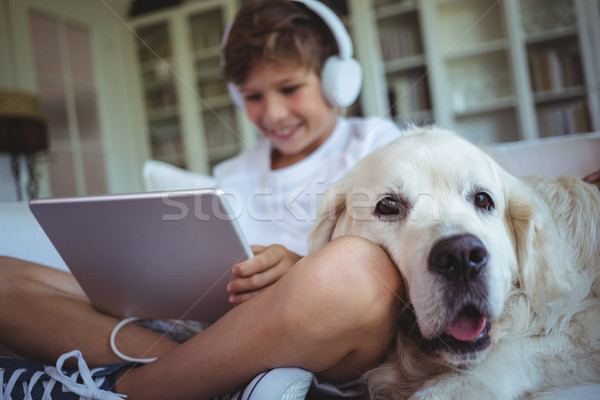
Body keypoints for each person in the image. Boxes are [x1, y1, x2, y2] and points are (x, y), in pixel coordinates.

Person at [0, 0, 404, 399]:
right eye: (253, 96)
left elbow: (404, 263)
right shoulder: (232, 173)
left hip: (323, 333)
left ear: (337, 80)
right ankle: (210, 380)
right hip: (212, 327)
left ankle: (138, 387)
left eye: (290, 88)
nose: (274, 112)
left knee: (356, 270)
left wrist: (299, 268)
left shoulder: (378, 145)